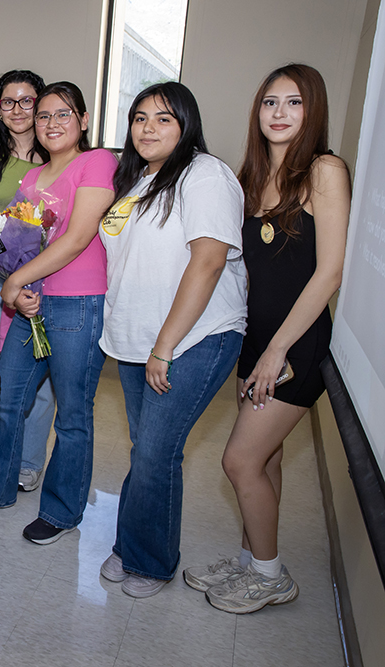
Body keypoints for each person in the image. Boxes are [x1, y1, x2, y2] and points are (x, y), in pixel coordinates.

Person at [184, 64, 350, 613]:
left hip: (295, 344)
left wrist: (278, 348)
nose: (279, 114)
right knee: (268, 459)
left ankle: (272, 577)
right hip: (257, 338)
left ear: (313, 111)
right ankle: (254, 558)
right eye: (270, 103)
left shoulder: (324, 171)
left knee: (240, 461)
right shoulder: (251, 177)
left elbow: (329, 273)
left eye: (294, 103)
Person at [97, 82, 247, 598]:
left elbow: (207, 263)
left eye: (163, 118)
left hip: (192, 339)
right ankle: (132, 545)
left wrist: (165, 345)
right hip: (141, 341)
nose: (148, 128)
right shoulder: (137, 180)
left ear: (187, 124)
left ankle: (150, 562)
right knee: (146, 451)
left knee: (157, 452)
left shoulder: (205, 175)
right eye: (139, 118)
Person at [0, 82, 116, 530]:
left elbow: (77, 238)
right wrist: (6, 264)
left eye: (63, 114)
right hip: (32, 304)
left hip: (78, 304)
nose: (51, 124)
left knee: (73, 416)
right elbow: (20, 243)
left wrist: (16, 281)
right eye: (44, 116)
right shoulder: (32, 178)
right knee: (5, 399)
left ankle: (60, 512)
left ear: (84, 120)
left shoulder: (97, 162)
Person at [0, 69, 53, 494]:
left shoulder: (61, 151)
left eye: (27, 101)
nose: (18, 110)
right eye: (8, 102)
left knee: (36, 371)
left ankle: (29, 459)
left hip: (48, 278)